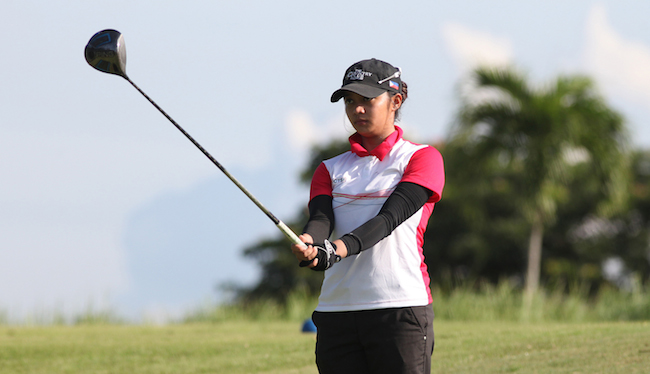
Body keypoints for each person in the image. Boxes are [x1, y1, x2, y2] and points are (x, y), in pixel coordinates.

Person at [291, 58, 445, 374]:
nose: (356, 110)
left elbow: (389, 219)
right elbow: (320, 221)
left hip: (399, 307)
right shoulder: (329, 169)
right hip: (338, 310)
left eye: (367, 100)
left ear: (395, 101)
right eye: (350, 101)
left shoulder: (422, 158)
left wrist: (337, 250)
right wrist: (310, 244)